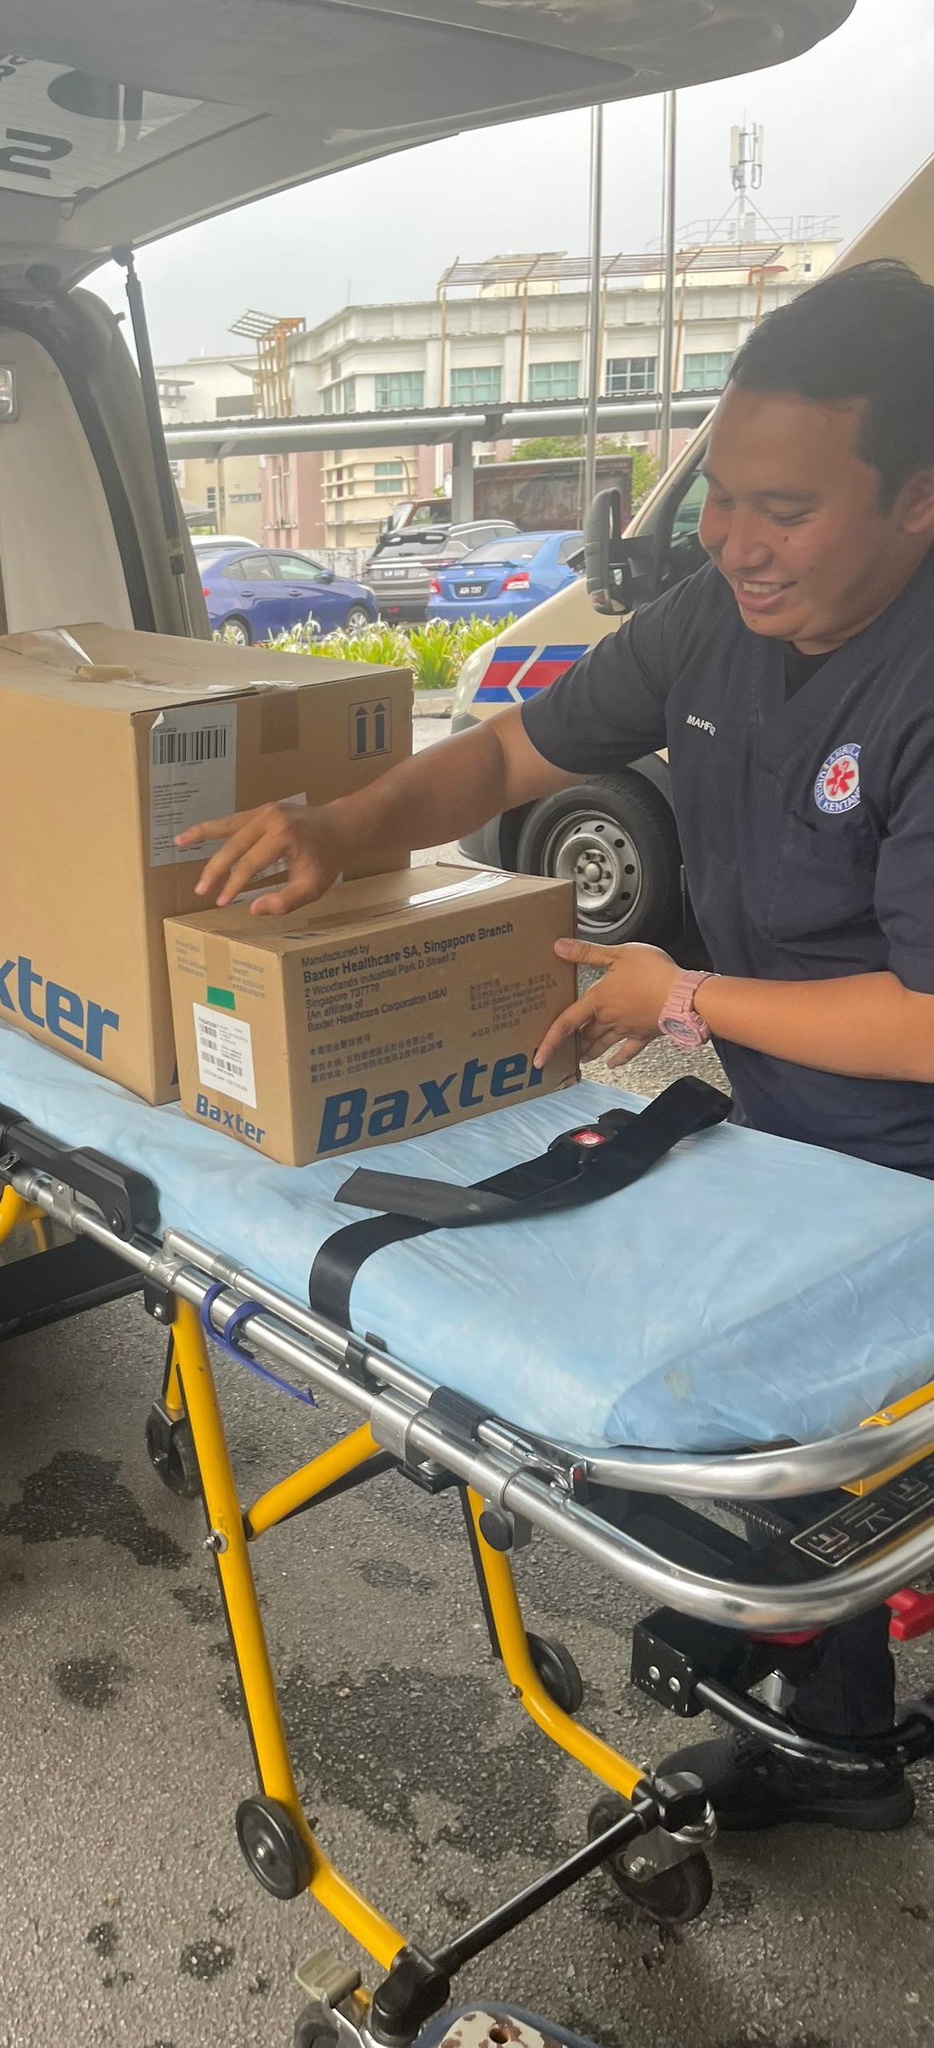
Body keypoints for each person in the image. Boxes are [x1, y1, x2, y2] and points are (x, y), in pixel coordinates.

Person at [178, 259, 934, 1834]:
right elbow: (522, 743)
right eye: (719, 495)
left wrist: (682, 998)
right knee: (754, 1476)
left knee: (844, 1486)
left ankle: (821, 1695)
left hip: (910, 1171)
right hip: (789, 1137)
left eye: (781, 509)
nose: (731, 539)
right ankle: (804, 1690)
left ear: (920, 503)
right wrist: (346, 824)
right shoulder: (715, 625)